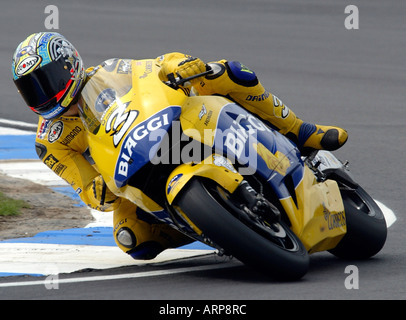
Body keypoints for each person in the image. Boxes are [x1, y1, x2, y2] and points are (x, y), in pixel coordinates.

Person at [12, 32, 347, 260]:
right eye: (31, 88)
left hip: (171, 130)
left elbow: (154, 66)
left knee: (227, 71)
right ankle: (219, 227)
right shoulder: (49, 141)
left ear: (69, 65)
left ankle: (300, 130)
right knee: (133, 240)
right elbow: (83, 184)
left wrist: (178, 66)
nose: (42, 94)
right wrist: (96, 190)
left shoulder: (110, 71)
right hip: (130, 179)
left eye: (46, 81)